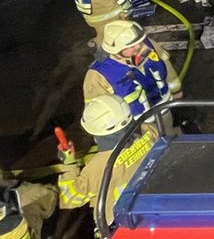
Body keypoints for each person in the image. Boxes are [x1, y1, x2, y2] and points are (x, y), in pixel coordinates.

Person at [58, 94, 158, 230]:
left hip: (119, 224)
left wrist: (69, 164)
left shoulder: (99, 166)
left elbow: (70, 198)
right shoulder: (149, 131)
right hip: (154, 203)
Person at [84, 21, 182, 133]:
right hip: (137, 126)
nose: (139, 46)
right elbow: (95, 114)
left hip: (164, 108)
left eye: (139, 42)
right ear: (116, 50)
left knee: (169, 135)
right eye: (131, 46)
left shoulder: (148, 45)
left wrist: (176, 91)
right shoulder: (98, 75)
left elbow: (166, 66)